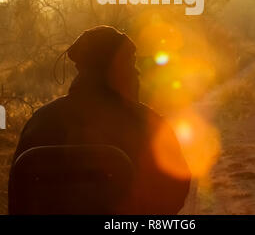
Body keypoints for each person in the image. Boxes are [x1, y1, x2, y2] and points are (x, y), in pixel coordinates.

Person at [9, 25, 191, 214]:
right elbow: (175, 191)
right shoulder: (147, 123)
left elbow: (18, 198)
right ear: (116, 69)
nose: (137, 72)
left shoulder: (40, 122)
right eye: (130, 62)